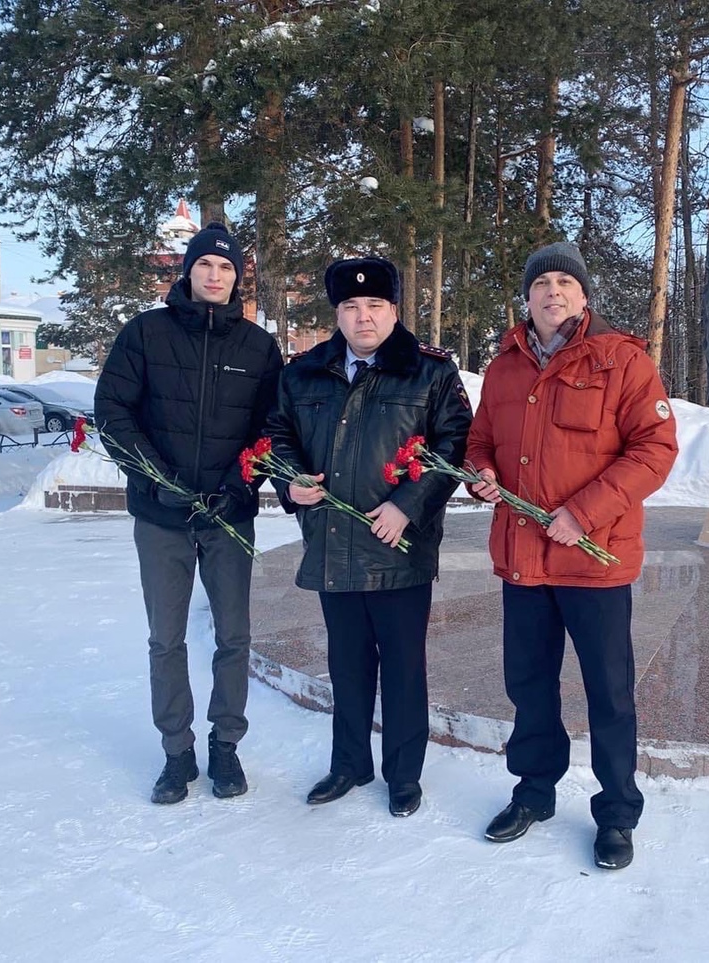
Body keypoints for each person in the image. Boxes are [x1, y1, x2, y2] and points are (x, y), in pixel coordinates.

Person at [466, 241, 678, 870]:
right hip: (522, 561)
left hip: (594, 561)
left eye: (564, 282)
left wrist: (582, 513)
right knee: (528, 686)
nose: (552, 292)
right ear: (526, 297)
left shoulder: (623, 362)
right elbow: (480, 440)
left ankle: (616, 813)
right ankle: (533, 792)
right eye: (541, 283)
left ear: (584, 296)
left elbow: (654, 450)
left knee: (609, 693)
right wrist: (479, 472)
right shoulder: (505, 366)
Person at [265, 256, 471, 818]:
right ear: (338, 313)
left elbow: (454, 446)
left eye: (375, 306)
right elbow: (277, 434)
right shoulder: (304, 372)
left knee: (403, 667)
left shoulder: (431, 372)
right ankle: (349, 763)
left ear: (395, 310)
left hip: (398, 546)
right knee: (347, 664)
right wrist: (292, 482)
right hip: (333, 541)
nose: (363, 317)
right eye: (351, 307)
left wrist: (407, 506)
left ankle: (403, 776)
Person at [95, 220, 283, 805]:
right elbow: (114, 412)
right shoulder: (146, 334)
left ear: (238, 278)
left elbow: (272, 428)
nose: (215, 274)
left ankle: (225, 746)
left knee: (234, 635)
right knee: (166, 638)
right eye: (206, 264)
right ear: (189, 269)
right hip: (161, 517)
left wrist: (240, 482)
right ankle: (177, 754)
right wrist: (158, 479)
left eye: (226, 267)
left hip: (229, 515)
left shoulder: (257, 347)